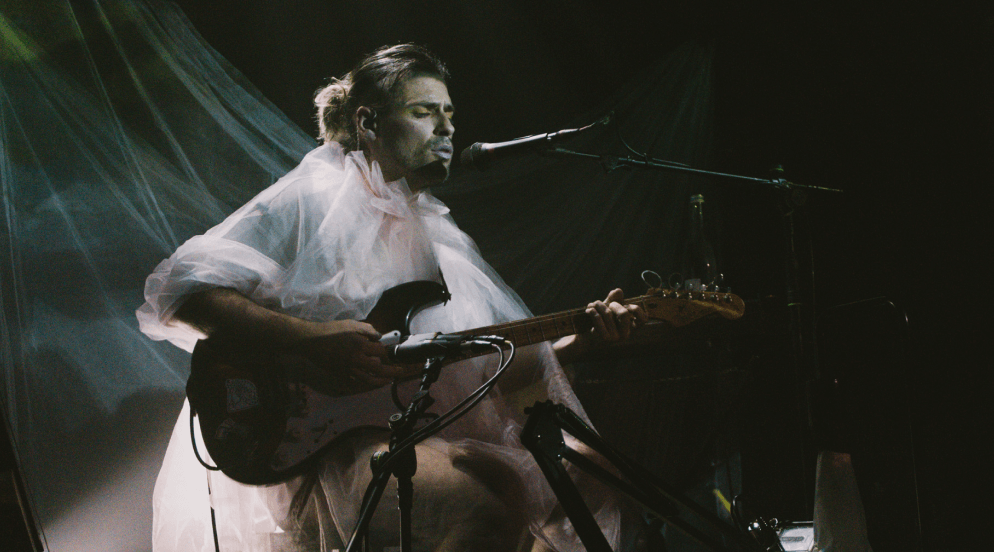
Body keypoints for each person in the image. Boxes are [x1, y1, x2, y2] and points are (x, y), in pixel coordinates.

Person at [138, 43, 646, 552]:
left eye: (450, 114)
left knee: (591, 469)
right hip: (325, 445)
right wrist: (311, 339)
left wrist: (581, 342)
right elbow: (183, 293)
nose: (446, 128)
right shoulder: (313, 196)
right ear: (368, 122)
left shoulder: (440, 236)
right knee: (484, 503)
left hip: (422, 430)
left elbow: (475, 370)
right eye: (424, 112)